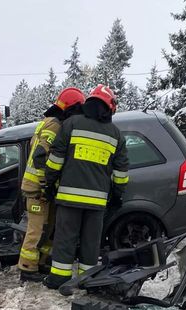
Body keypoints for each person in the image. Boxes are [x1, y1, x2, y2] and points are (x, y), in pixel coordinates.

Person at [43, 85, 129, 289]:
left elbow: (56, 158)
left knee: (65, 239)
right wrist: (117, 196)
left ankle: (59, 279)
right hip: (97, 202)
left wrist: (49, 182)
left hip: (69, 198)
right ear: (109, 107)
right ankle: (87, 280)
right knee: (91, 243)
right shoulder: (116, 134)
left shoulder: (72, 123)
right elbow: (121, 172)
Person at [17, 87, 86, 282]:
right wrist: (45, 184)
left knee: (47, 228)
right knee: (37, 229)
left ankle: (42, 262)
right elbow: (40, 155)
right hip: (37, 188)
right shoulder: (54, 126)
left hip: (40, 186)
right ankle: (27, 268)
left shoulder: (48, 123)